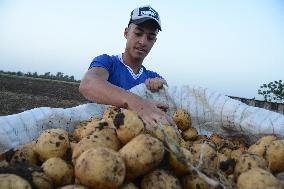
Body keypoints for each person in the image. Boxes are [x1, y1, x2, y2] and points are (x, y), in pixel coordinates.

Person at [79, 5, 175, 129]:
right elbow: (88, 84)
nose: (143, 42)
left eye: (150, 37)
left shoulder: (153, 77)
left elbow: (166, 106)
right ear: (126, 33)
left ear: (154, 42)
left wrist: (162, 87)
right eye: (138, 33)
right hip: (102, 132)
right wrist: (137, 103)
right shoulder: (108, 62)